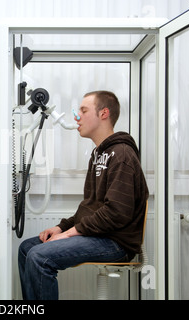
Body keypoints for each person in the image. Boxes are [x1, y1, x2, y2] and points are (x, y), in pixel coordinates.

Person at [18, 90, 149, 300]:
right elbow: (90, 207)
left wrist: (69, 234)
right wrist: (62, 227)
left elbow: (116, 212)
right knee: (27, 248)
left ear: (104, 114)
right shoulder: (99, 154)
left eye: (83, 110)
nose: (76, 117)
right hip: (99, 234)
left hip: (115, 242)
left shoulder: (121, 155)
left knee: (39, 256)